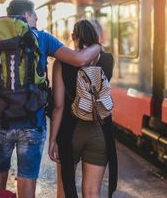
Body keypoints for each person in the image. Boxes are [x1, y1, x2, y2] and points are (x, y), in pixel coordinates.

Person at [0, 0, 101, 198]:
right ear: (26, 16)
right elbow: (79, 59)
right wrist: (98, 46)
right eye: (35, 16)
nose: (37, 19)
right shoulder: (42, 38)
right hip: (32, 122)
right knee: (27, 182)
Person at [48, 19, 118, 198]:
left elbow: (58, 105)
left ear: (73, 37)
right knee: (92, 192)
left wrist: (53, 140)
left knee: (65, 190)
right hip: (100, 131)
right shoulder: (108, 60)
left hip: (70, 132)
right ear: (95, 38)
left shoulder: (61, 63)